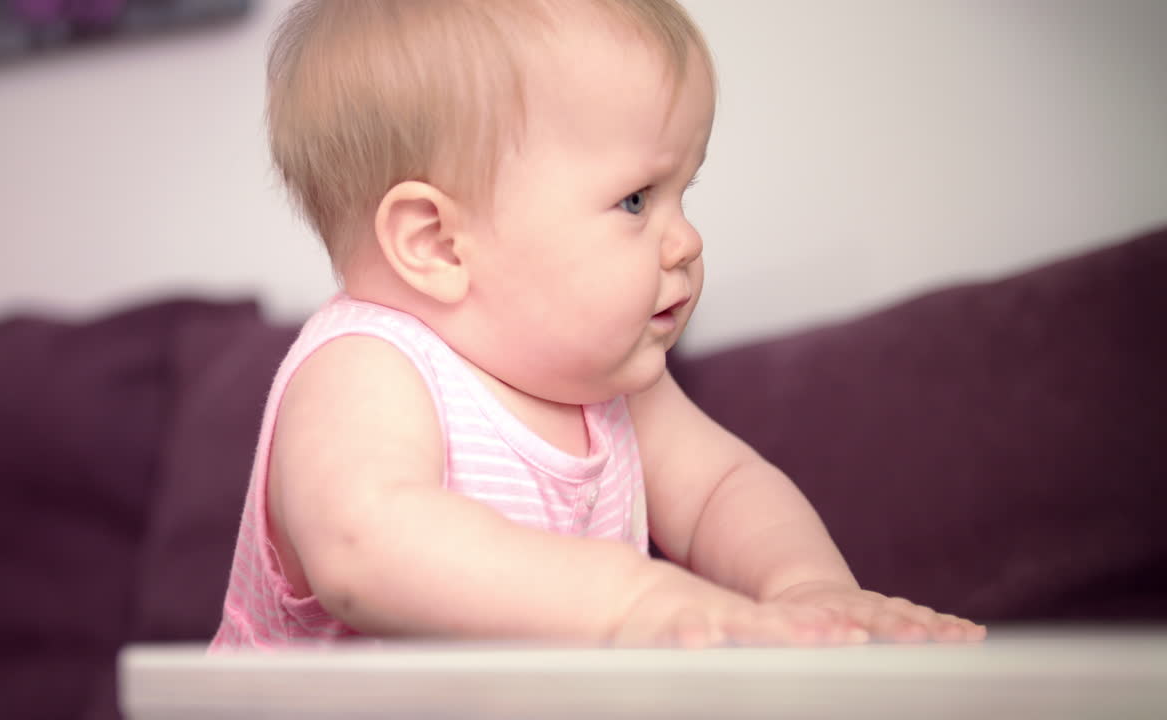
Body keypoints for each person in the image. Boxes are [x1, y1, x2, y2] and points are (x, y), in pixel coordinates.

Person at [212, 0, 986, 649]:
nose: (687, 242)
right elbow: (363, 548)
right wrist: (629, 600)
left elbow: (724, 488)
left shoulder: (603, 383)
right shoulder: (365, 369)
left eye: (686, 191)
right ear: (437, 243)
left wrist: (803, 587)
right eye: (637, 201)